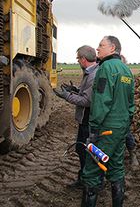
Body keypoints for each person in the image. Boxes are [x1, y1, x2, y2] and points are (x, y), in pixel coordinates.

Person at [80, 36, 135, 207]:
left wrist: (94, 129)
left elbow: (101, 101)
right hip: (121, 127)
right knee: (116, 166)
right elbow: (131, 102)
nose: (97, 49)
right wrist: (126, 123)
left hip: (106, 128)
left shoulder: (106, 68)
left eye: (101, 45)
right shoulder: (126, 70)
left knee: (92, 170)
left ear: (112, 48)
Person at [53, 45, 99, 188]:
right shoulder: (90, 72)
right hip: (84, 121)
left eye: (78, 58)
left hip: (88, 121)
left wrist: (67, 97)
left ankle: (93, 182)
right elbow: (87, 93)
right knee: (81, 150)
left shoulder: (93, 75)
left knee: (88, 153)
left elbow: (87, 101)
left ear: (83, 59)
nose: (78, 61)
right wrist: (75, 89)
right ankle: (83, 179)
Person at [120, 54, 139, 166]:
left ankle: (133, 153)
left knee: (126, 131)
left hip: (123, 108)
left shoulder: (127, 75)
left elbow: (130, 95)